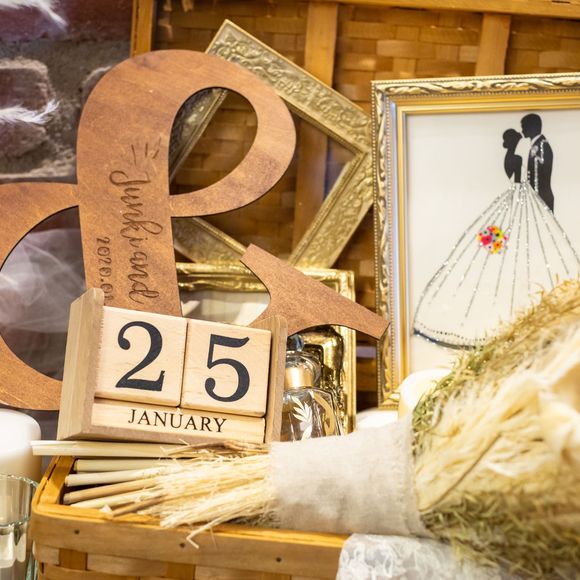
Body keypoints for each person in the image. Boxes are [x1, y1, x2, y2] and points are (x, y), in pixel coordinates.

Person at [412, 127, 579, 349]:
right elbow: (522, 179)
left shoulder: (514, 156)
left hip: (516, 197)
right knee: (521, 243)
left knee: (511, 245)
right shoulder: (517, 157)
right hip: (520, 197)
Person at [521, 113, 555, 212]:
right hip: (536, 197)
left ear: (532, 127)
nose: (522, 131)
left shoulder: (542, 145)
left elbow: (540, 174)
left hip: (542, 197)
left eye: (524, 127)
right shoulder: (538, 144)